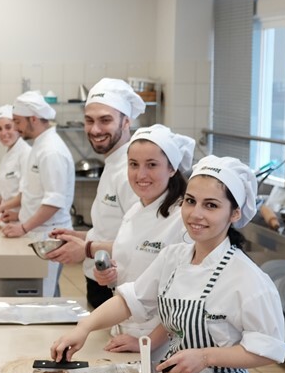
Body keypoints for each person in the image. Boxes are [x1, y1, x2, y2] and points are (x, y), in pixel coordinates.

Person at [50, 155, 285, 373]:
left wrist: (205, 357)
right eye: (190, 201)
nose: (196, 214)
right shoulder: (174, 257)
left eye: (211, 205)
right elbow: (131, 300)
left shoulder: (247, 278)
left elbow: (267, 350)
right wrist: (84, 328)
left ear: (235, 213)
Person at [53, 125, 194, 351]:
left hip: (163, 346)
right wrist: (111, 276)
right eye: (133, 164)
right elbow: (136, 271)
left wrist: (147, 343)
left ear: (172, 168)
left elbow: (186, 299)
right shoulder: (135, 211)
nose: (141, 175)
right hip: (125, 333)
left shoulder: (182, 220)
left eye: (152, 165)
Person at [46, 78, 144, 309]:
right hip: (99, 281)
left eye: (105, 120)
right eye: (89, 120)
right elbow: (116, 228)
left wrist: (87, 249)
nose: (95, 129)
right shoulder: (112, 163)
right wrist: (81, 236)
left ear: (126, 121)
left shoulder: (132, 171)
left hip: (120, 286)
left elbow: (143, 242)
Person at [1, 91, 75, 297]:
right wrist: (18, 215)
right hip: (37, 231)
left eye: (18, 121)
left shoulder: (51, 151)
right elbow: (34, 192)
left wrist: (23, 227)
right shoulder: (40, 145)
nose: (16, 127)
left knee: (45, 296)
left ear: (33, 119)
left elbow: (54, 201)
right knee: (42, 292)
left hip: (48, 235)